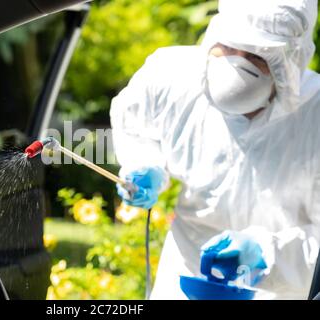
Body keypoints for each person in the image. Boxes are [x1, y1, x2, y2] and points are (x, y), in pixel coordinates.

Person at [111, 0, 320, 299]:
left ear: (291, 58)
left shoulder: (315, 117)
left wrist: (265, 254)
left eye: (255, 55)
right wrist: (145, 163)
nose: (236, 63)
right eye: (230, 46)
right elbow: (134, 123)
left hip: (277, 289)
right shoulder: (171, 76)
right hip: (184, 275)